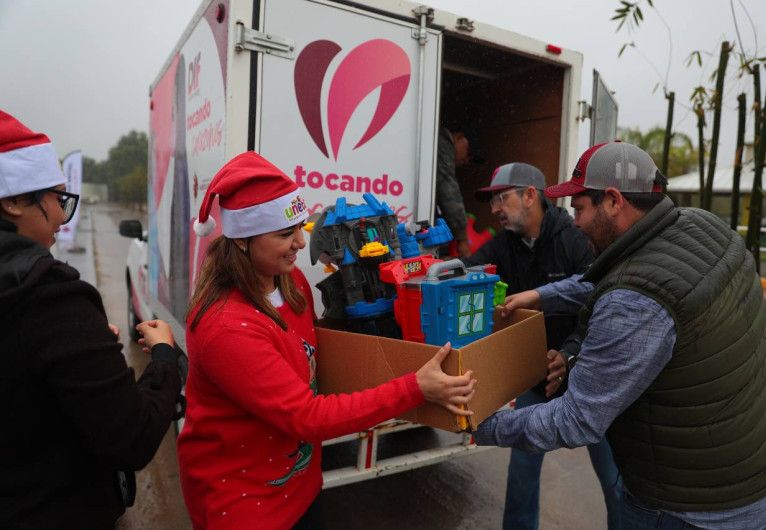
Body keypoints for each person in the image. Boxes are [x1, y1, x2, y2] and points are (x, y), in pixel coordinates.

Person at [474, 141, 766, 529]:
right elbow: (632, 281)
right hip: (751, 472)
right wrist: (544, 295)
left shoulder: (633, 302)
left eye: (580, 209)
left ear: (612, 200)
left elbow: (576, 420)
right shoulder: (699, 226)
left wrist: (478, 425)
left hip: (688, 508)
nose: (574, 221)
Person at [179, 151, 477, 530]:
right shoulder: (226, 329)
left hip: (302, 487)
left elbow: (317, 364)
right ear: (241, 241)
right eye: (285, 234)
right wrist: (413, 388)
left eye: (300, 229)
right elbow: (307, 417)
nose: (300, 244)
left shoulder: (292, 285)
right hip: (244, 504)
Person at [0, 111, 183, 528]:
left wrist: (81, 348)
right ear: (12, 201)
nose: (63, 218)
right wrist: (165, 359)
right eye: (57, 200)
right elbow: (130, 437)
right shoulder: (49, 299)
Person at [461, 162, 622, 529]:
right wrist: (429, 271)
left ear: (530, 196)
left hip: (589, 379)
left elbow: (599, 304)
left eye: (502, 197)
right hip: (539, 379)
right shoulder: (505, 244)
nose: (495, 208)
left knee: (614, 481)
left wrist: (568, 353)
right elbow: (468, 271)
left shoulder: (576, 239)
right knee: (521, 476)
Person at [436, 126, 473, 257]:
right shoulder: (442, 142)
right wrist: (462, 240)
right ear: (458, 137)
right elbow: (448, 190)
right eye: (468, 153)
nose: (465, 161)